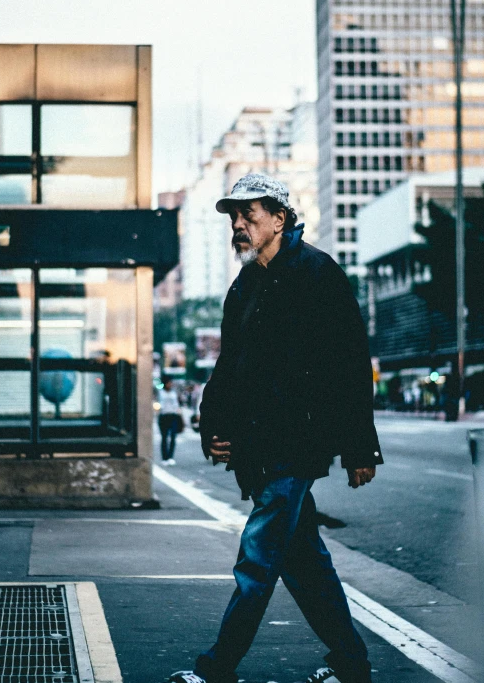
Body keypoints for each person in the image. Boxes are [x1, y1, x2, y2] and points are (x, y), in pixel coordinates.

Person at [168, 173, 383, 683]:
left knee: (257, 561)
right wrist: (212, 427)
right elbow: (230, 367)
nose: (238, 225)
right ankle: (352, 666)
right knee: (305, 565)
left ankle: (216, 670)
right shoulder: (246, 286)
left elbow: (350, 364)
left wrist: (359, 448)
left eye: (250, 215)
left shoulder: (317, 274)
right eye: (234, 218)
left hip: (298, 444)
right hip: (262, 446)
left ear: (280, 218)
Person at [157, 377, 183, 466]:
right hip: (164, 415)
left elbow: (177, 404)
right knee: (164, 437)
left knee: (173, 437)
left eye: (171, 383)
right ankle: (164, 457)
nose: (170, 385)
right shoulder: (160, 392)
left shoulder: (173, 392)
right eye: (168, 383)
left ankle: (170, 457)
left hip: (173, 415)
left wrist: (179, 413)